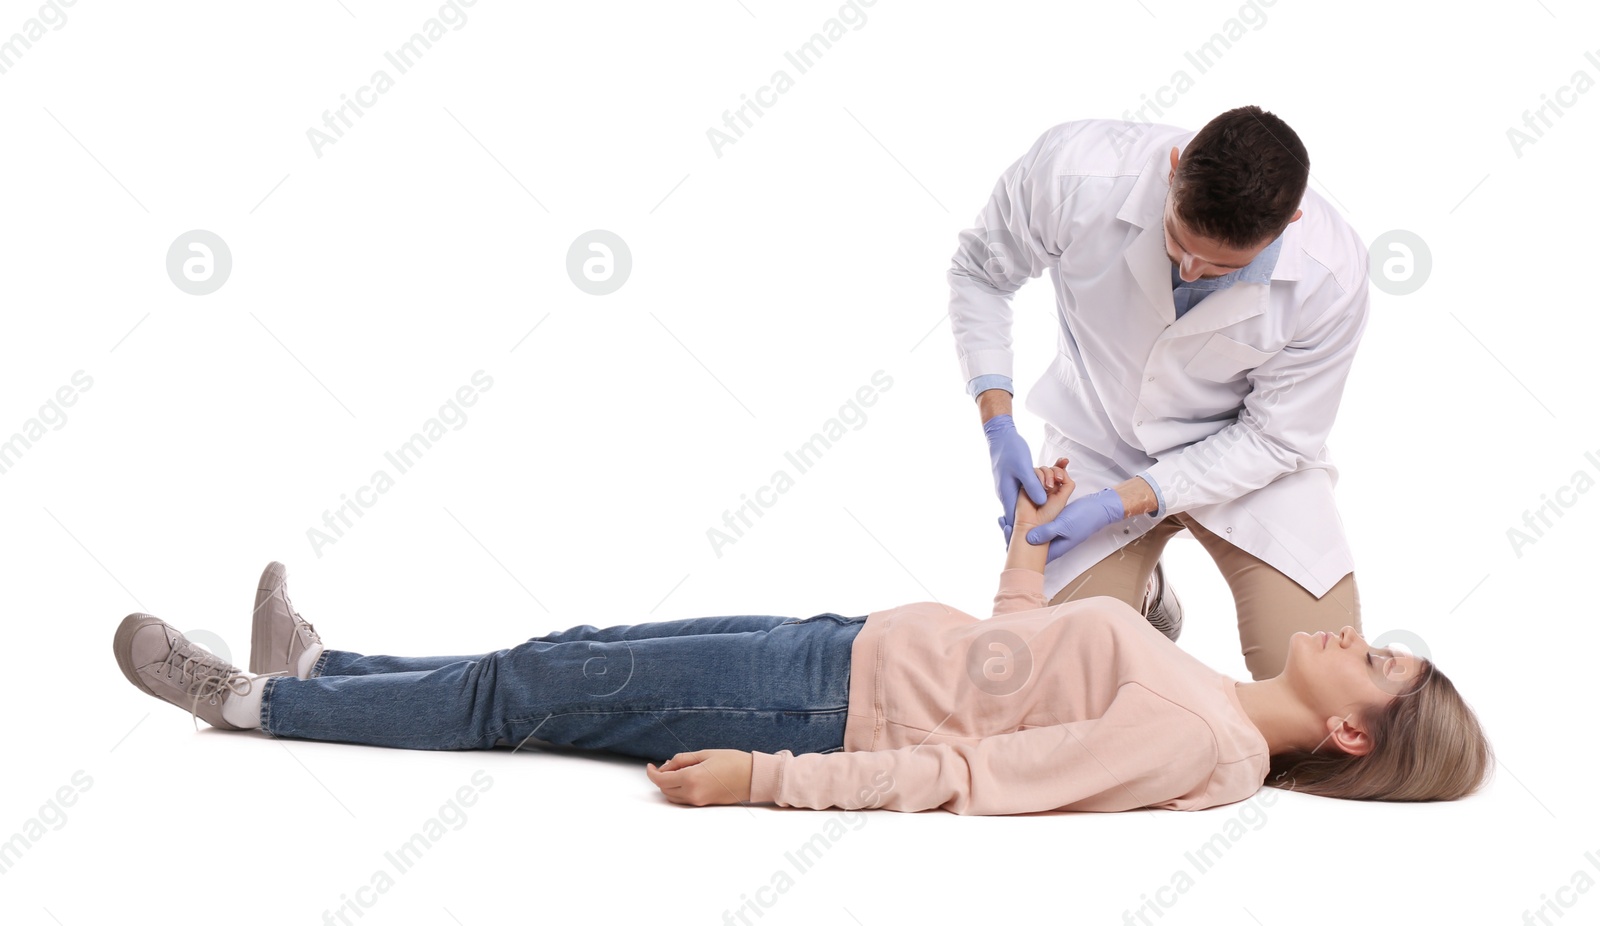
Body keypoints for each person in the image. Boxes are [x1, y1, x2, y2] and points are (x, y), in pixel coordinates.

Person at [111, 461, 1490, 814]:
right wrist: (1029, 544)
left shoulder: (1200, 740)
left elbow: (970, 773)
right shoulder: (1199, 685)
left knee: (521, 694)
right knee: (548, 659)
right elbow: (1009, 659)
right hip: (839, 646)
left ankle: (252, 704)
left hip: (814, 711)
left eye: (1377, 662)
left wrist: (765, 780)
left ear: (1357, 730)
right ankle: (324, 668)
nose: (1356, 637)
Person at [950, 105, 1373, 679]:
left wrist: (1127, 500)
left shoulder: (1332, 274)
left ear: (1289, 223)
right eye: (1179, 243)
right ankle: (1146, 600)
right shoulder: (1076, 173)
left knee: (1319, 697)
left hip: (1249, 466)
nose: (1193, 271)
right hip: (1098, 444)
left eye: (1223, 266)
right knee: (1066, 684)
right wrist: (998, 424)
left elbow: (1275, 438)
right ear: (1173, 170)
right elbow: (980, 272)